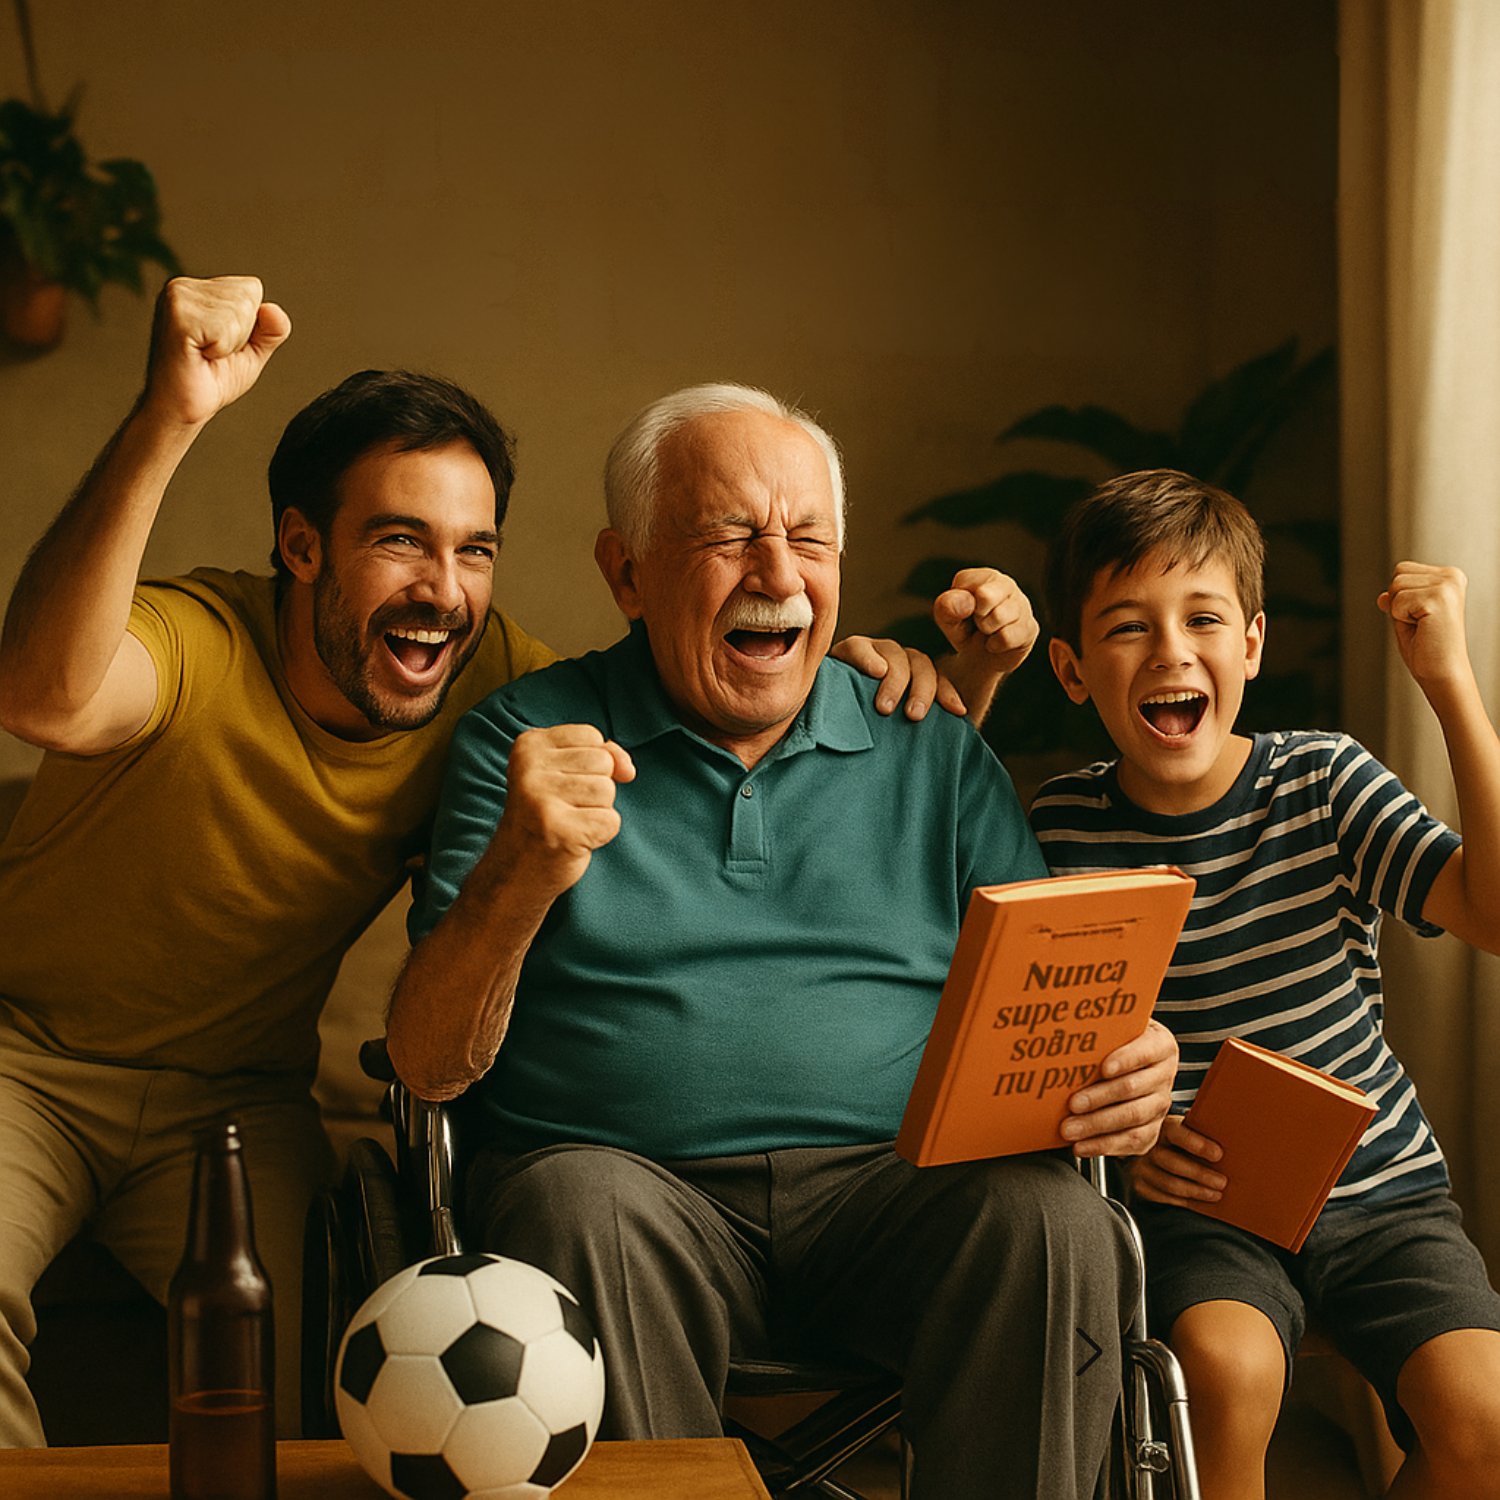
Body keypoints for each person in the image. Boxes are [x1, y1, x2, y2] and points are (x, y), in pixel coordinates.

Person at [0, 277, 1023, 1448]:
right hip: (22, 1056)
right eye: (399, 542)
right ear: (299, 544)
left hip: (232, 1098)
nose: (443, 590)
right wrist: (168, 417)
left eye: (474, 550)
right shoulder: (197, 642)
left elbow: (746, 690)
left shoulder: (491, 686)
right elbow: (42, 691)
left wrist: (944, 687)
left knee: (350, 1387)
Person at [385, 383, 1180, 1500]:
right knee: (578, 1211)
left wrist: (1121, 1069)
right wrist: (521, 868)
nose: (776, 572)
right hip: (633, 1197)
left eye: (808, 537)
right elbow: (427, 1063)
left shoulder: (929, 743)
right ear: (626, 573)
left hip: (898, 1197)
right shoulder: (522, 741)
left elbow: (1053, 1006)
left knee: (1058, 1228)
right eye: (727, 536)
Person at [1029, 467, 1500, 1500]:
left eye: (1203, 617)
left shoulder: (1323, 779)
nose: (1170, 651)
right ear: (1069, 668)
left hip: (1384, 1199)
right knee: (1221, 1376)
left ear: (1250, 644)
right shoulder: (1053, 829)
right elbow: (1018, 1050)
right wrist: (1128, 1150)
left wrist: (1450, 683)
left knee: (1487, 1421)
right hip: (1197, 1213)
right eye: (1126, 627)